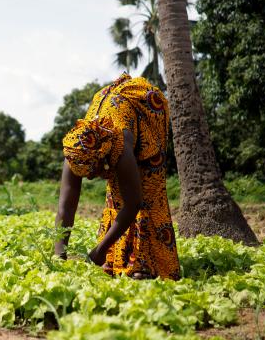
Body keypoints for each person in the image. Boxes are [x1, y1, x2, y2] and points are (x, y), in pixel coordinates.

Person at [53, 74, 180, 280]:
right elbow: (65, 207)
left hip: (146, 107)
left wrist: (98, 252)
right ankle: (116, 257)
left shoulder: (121, 147)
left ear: (101, 155)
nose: (92, 178)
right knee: (115, 192)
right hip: (110, 104)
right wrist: (59, 254)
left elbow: (134, 203)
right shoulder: (76, 151)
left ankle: (145, 262)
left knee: (148, 189)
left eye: (93, 172)